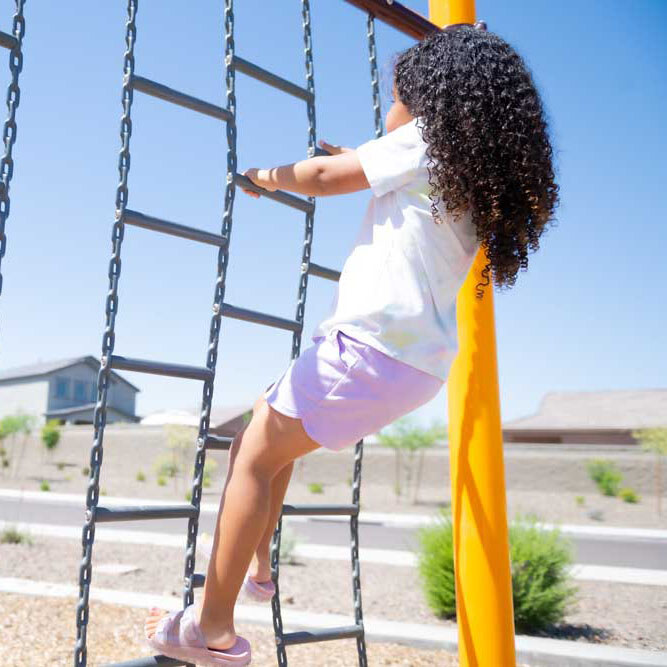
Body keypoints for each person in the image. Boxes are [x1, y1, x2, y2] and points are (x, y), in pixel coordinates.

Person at [144, 23, 559, 666]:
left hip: (370, 347)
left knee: (254, 456)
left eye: (393, 100)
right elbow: (389, 183)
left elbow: (323, 176)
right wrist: (364, 158)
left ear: (426, 103)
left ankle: (213, 630)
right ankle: (257, 565)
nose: (387, 114)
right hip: (409, 363)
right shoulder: (464, 172)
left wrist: (269, 175)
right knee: (259, 434)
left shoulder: (423, 142)